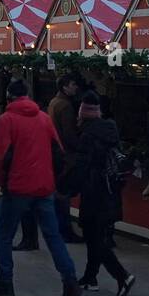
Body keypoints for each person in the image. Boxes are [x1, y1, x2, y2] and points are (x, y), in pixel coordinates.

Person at [0, 79, 80, 296]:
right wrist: (52, 179)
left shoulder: (6, 120)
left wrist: (1, 181)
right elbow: (58, 151)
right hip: (44, 186)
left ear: (9, 97)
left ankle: (5, 281)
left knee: (5, 234)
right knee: (53, 235)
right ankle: (70, 280)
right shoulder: (44, 118)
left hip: (17, 187)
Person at [70, 91, 135, 296]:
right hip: (110, 192)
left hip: (94, 192)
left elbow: (82, 166)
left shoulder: (88, 135)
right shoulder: (110, 131)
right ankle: (90, 278)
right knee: (97, 235)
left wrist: (67, 188)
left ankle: (121, 275)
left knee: (95, 237)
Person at [47, 72, 84, 244]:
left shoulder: (54, 103)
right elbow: (69, 134)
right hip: (65, 155)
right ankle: (65, 231)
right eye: (73, 84)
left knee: (58, 194)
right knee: (64, 196)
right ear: (65, 86)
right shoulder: (66, 106)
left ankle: (59, 228)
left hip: (55, 153)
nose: (75, 87)